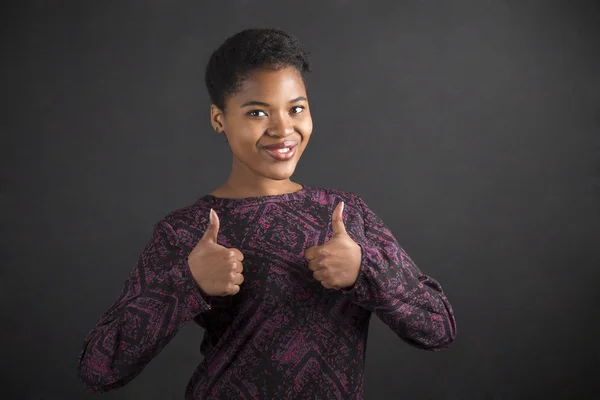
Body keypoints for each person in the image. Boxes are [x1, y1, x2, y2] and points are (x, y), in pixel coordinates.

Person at [77, 28, 456, 399]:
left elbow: (436, 328)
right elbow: (100, 368)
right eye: (257, 112)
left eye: (296, 109)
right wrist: (187, 282)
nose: (283, 129)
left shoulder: (346, 214)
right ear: (219, 119)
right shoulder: (186, 230)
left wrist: (366, 269)